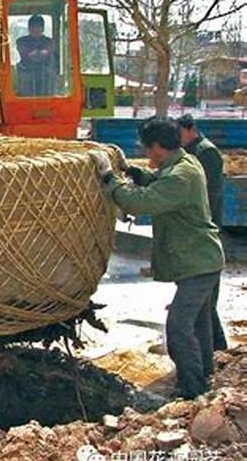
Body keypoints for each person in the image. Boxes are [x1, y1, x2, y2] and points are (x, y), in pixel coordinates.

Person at [90, 118, 225, 399]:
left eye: (147, 148)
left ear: (157, 147)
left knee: (178, 328)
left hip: (198, 264)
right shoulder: (183, 164)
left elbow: (141, 203)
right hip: (200, 260)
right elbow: (158, 184)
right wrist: (135, 173)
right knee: (200, 326)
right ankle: (205, 380)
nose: (146, 153)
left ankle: (193, 390)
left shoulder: (180, 176)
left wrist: (110, 181)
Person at [176, 114, 227, 351]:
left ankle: (216, 350)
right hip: (199, 234)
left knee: (206, 302)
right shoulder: (192, 152)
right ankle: (214, 351)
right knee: (203, 304)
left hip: (206, 232)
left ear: (190, 129)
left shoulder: (207, 153)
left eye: (179, 133)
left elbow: (210, 195)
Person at [16, 14, 55, 96]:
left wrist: (37, 53)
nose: (36, 29)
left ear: (43, 28)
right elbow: (26, 53)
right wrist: (39, 53)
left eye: (38, 27)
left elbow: (46, 52)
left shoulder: (49, 42)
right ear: (29, 28)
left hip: (46, 82)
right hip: (26, 82)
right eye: (33, 27)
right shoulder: (21, 41)